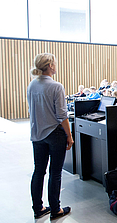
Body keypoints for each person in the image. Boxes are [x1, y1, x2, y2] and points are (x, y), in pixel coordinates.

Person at [28, 53, 72, 219]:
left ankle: (38, 208)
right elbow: (62, 115)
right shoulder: (56, 86)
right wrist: (69, 135)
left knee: (38, 171)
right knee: (55, 172)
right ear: (51, 66)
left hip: (37, 134)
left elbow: (32, 110)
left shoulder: (32, 85)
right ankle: (56, 209)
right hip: (54, 133)